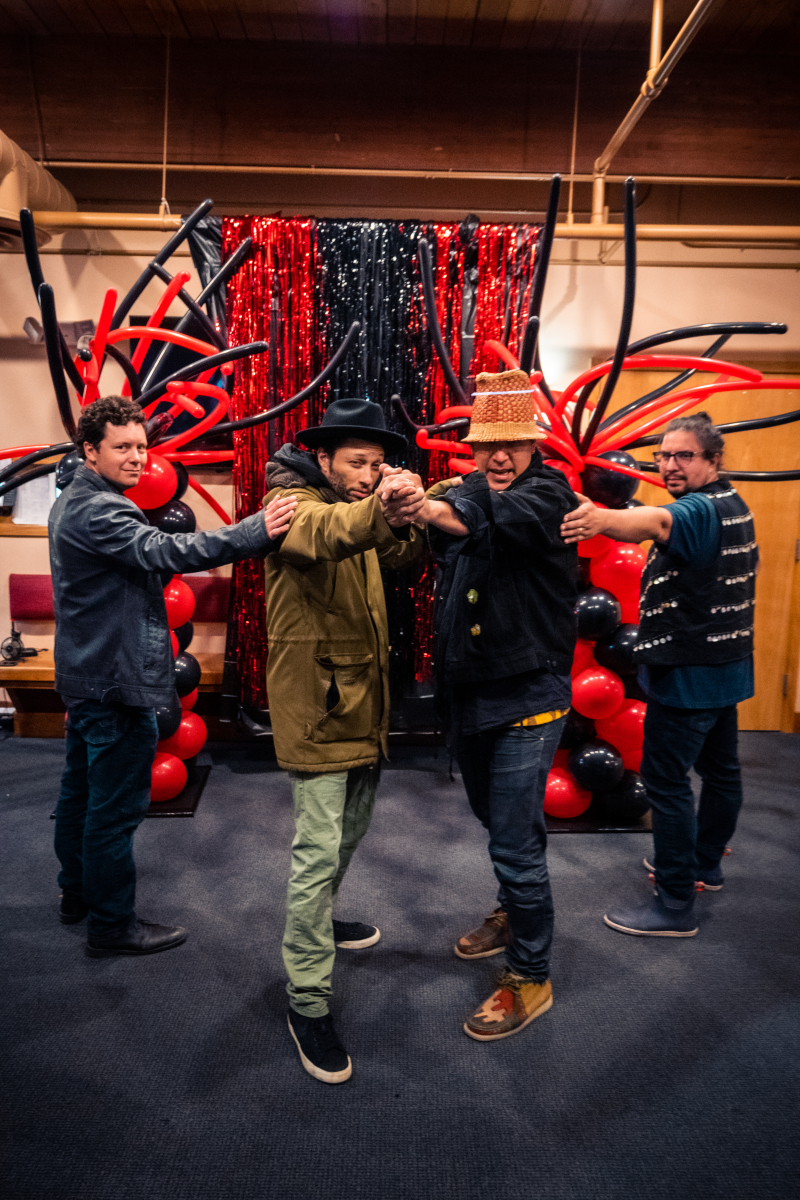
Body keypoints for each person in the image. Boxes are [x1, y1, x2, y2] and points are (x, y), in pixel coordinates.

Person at [50, 395, 296, 959]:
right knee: (112, 811)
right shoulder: (99, 509)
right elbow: (165, 549)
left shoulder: (76, 498)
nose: (137, 458)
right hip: (114, 680)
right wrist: (252, 532)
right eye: (122, 447)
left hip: (90, 674)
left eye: (141, 446)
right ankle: (111, 925)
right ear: (90, 451)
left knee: (80, 795)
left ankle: (77, 895)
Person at [390, 369, 579, 1042]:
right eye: (487, 446)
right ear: (472, 448)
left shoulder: (549, 493)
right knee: (497, 822)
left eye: (513, 444)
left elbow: (478, 515)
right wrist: (410, 503)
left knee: (515, 842)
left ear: (533, 446)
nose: (499, 457)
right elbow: (446, 522)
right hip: (471, 695)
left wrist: (429, 504)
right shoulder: (469, 487)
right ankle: (511, 911)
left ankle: (531, 974)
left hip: (528, 697)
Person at [262, 397, 424, 1084]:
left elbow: (398, 553)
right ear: (323, 458)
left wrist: (409, 511)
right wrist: (382, 503)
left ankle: (320, 921)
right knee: (317, 851)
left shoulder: (355, 503)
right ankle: (306, 999)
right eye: (358, 463)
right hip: (320, 710)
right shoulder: (291, 505)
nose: (368, 474)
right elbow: (328, 533)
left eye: (378, 464)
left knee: (348, 835)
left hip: (361, 703)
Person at [561, 412, 757, 937]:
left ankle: (674, 903)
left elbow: (655, 523)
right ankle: (705, 865)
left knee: (667, 784)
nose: (670, 465)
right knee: (722, 772)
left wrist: (599, 519)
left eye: (684, 455)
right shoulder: (733, 504)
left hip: (689, 675)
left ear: (713, 460)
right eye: (664, 455)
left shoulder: (696, 510)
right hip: (726, 668)